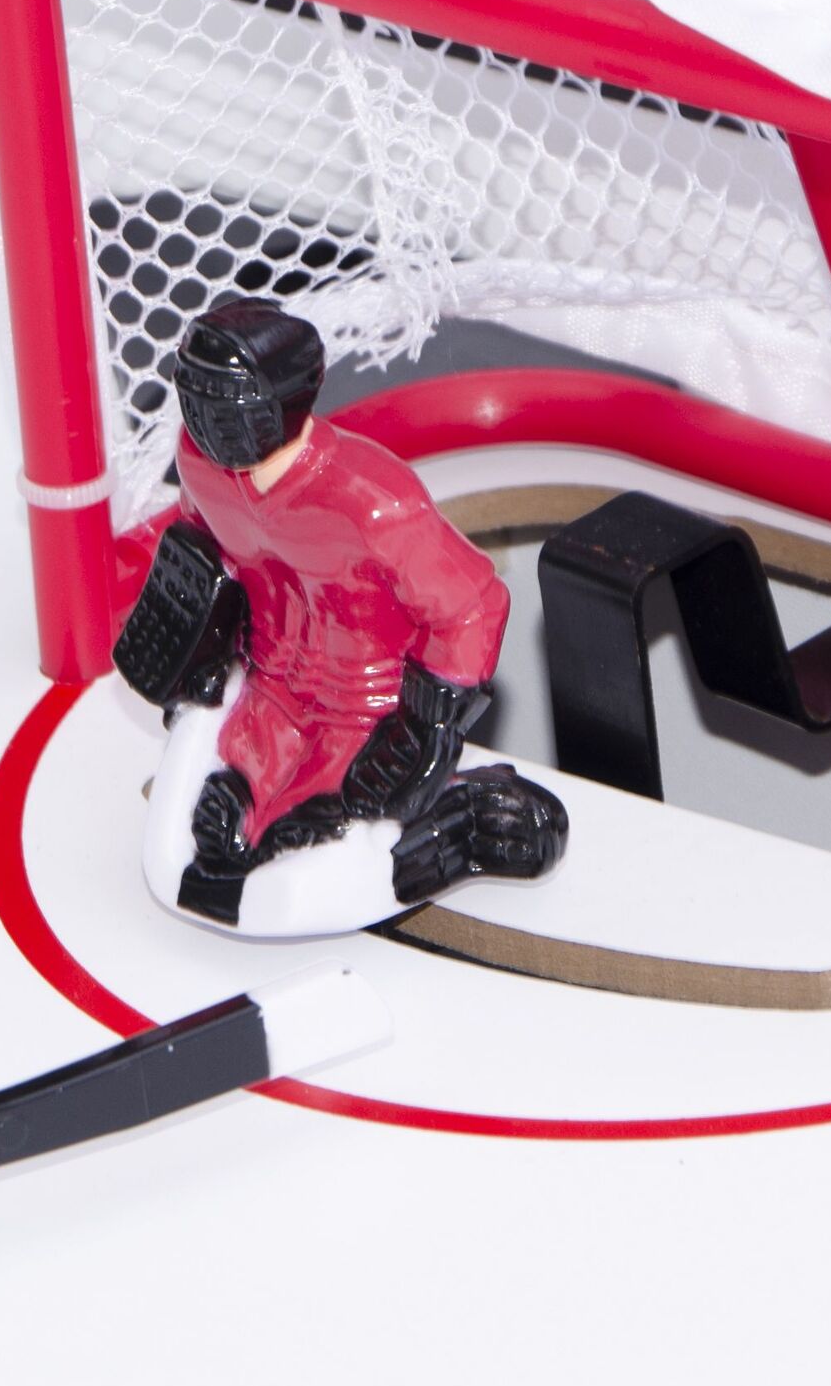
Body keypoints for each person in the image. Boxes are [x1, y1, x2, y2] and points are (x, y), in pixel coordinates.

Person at [114, 303, 567, 935]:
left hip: (364, 713)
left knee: (302, 849)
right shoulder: (199, 468)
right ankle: (263, 805)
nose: (206, 416)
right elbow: (201, 545)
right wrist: (193, 641)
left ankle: (453, 818)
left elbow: (472, 606)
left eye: (224, 399)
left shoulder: (373, 502)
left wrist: (426, 726)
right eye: (195, 392)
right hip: (270, 692)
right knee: (214, 842)